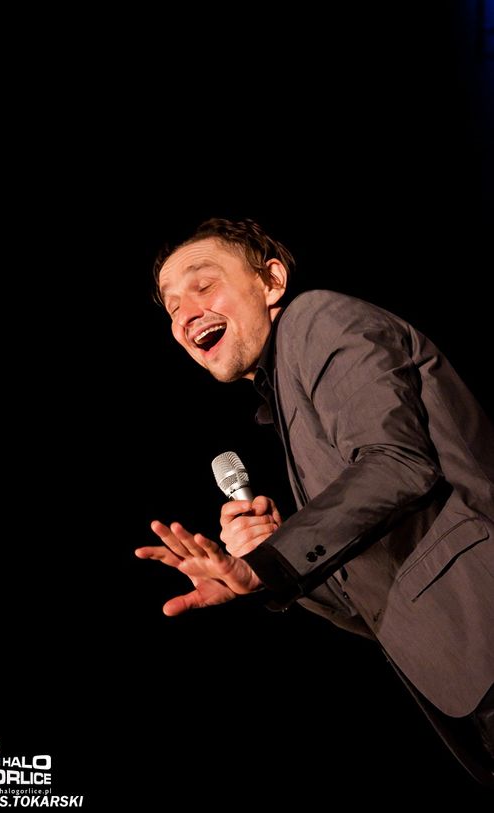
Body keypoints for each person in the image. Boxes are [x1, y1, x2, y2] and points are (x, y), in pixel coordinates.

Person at [136, 218, 494, 787]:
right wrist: (268, 566)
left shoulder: (316, 318)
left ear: (272, 281)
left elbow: (399, 463)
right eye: (173, 308)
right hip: (462, 674)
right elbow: (368, 605)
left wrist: (273, 562)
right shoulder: (286, 400)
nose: (186, 315)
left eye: (203, 286)